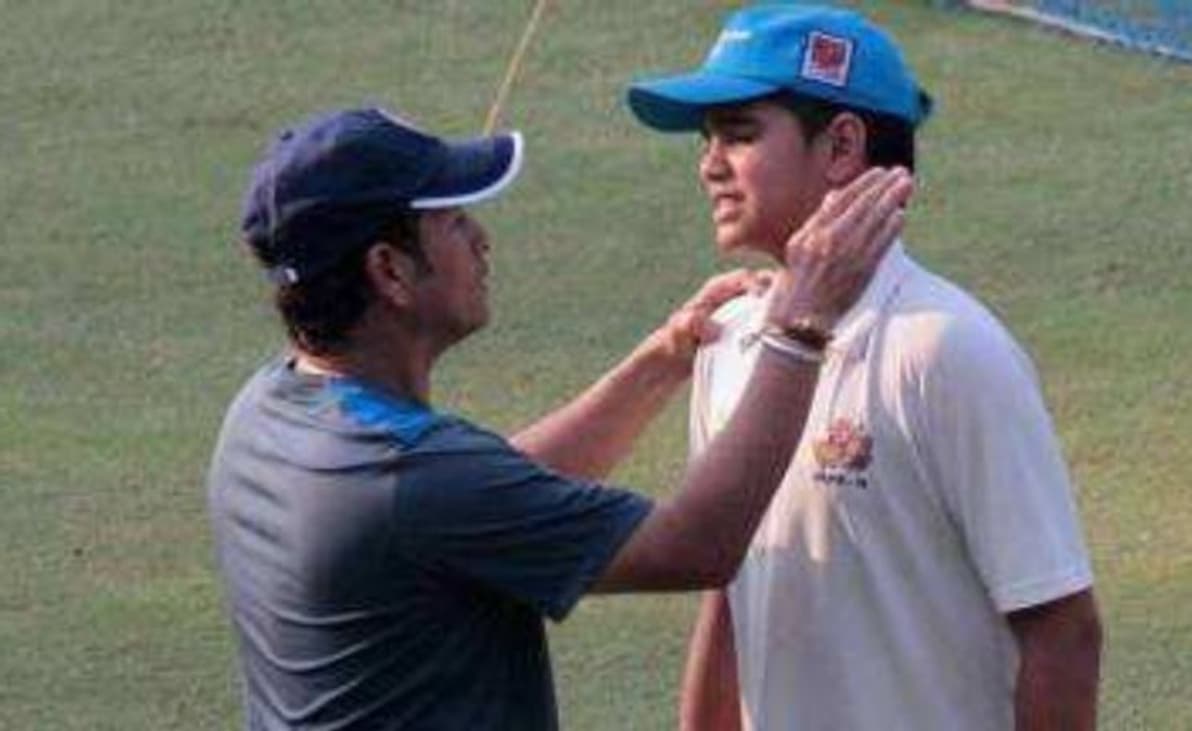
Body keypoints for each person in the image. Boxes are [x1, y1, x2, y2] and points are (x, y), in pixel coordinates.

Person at [206, 106, 911, 729]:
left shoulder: (267, 411)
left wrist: (658, 362)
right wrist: (799, 325)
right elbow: (695, 545)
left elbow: (487, 496)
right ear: (390, 270)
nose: (481, 240)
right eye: (453, 221)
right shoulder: (409, 481)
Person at [627, 4, 1103, 730]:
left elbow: (1064, 629)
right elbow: (729, 594)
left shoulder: (946, 348)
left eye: (740, 134)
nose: (709, 164)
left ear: (842, 144)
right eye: (707, 138)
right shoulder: (729, 342)